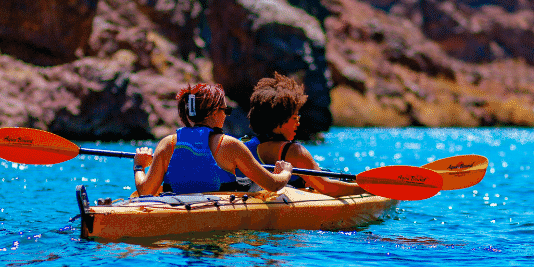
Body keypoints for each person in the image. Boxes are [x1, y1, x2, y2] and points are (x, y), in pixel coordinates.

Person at [133, 83, 293, 195]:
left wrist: (139, 166)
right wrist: (285, 172)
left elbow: (145, 191)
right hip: (218, 228)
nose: (225, 115)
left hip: (179, 233)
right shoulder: (230, 145)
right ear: (214, 112)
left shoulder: (167, 144)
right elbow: (273, 185)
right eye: (225, 110)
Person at [245, 73, 363, 197]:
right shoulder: (294, 152)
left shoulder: (244, 145)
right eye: (295, 117)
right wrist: (368, 189)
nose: (298, 122)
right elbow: (328, 188)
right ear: (278, 122)